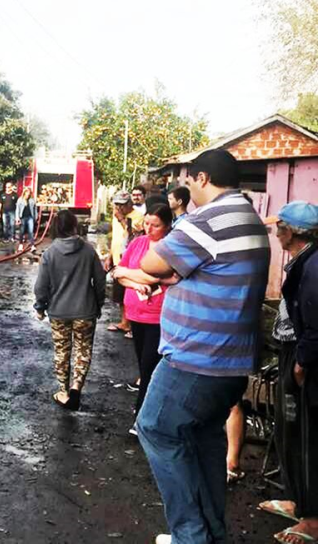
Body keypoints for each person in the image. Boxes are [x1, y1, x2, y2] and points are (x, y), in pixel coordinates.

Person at [136, 150, 270, 544]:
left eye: (190, 182)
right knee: (204, 438)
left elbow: (154, 263)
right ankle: (210, 533)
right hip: (230, 360)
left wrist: (163, 273)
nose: (187, 190)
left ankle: (190, 535)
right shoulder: (247, 217)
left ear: (204, 178)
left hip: (198, 359)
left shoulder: (210, 218)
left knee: (155, 427)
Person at [257, 201, 318, 544]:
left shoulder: (313, 267)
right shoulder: (303, 261)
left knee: (307, 437)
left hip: (304, 360)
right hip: (291, 354)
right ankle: (297, 500)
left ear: (291, 231)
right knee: (288, 429)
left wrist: (301, 363)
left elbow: (316, 326)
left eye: (279, 225)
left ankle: (312, 519)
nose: (276, 230)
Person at [34, 210, 106, 411]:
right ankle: (76, 388)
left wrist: (40, 306)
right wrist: (98, 304)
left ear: (56, 227)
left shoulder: (49, 253)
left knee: (62, 351)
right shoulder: (89, 251)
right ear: (75, 226)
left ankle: (63, 393)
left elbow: (41, 286)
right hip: (86, 311)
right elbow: (100, 282)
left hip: (59, 312)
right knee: (83, 350)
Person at [113, 204, 174, 432]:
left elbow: (163, 275)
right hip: (136, 313)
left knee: (150, 367)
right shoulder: (138, 243)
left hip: (160, 315)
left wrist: (139, 277)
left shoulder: (170, 247)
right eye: (147, 223)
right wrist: (138, 282)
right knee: (142, 363)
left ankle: (141, 417)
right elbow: (119, 272)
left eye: (155, 225)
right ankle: (147, 412)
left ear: (167, 226)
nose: (149, 228)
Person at [107, 191, 144, 338]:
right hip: (118, 258)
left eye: (122, 205)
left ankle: (133, 325)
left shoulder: (139, 217)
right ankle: (124, 322)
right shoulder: (116, 217)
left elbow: (133, 236)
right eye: (117, 205)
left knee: (131, 294)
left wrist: (122, 219)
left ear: (129, 204)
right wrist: (109, 257)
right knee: (119, 295)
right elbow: (116, 238)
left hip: (131, 260)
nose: (119, 208)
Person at [15, 187, 38, 253]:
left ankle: (32, 246)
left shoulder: (32, 200)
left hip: (30, 217)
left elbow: (35, 209)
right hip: (22, 217)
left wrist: (36, 217)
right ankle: (21, 245)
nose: (28, 194)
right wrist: (17, 218)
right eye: (27, 192)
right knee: (21, 232)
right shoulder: (20, 199)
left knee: (31, 232)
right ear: (24, 193)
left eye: (29, 193)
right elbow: (17, 209)